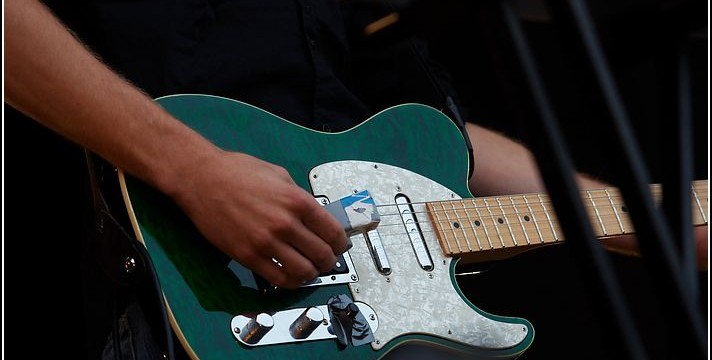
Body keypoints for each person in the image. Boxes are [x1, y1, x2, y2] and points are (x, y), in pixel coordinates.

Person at [5, 1, 707, 359]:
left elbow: (428, 145)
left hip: (378, 324)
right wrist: (191, 168)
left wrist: (663, 217)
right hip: (194, 299)